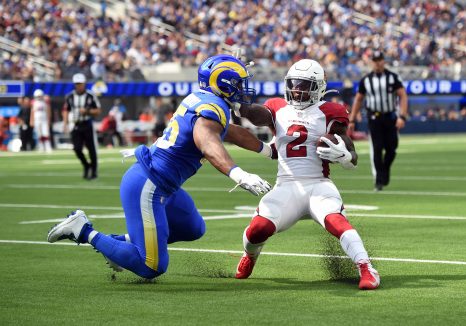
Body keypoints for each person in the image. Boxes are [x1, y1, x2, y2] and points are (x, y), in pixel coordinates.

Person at [47, 54, 274, 279]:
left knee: (192, 227)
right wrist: (238, 174)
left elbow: (230, 132)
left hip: (164, 184)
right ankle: (83, 230)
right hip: (149, 183)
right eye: (238, 83)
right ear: (223, 84)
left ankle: (118, 245)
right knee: (152, 266)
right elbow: (207, 141)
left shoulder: (207, 101)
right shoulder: (211, 109)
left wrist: (267, 150)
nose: (243, 88)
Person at [232, 59, 380, 290]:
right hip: (287, 186)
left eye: (304, 84)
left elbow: (351, 153)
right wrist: (238, 103)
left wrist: (345, 156)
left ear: (319, 86)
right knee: (258, 229)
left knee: (336, 221)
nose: (297, 89)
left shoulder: (331, 111)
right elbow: (254, 113)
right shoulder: (278, 107)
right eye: (294, 83)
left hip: (318, 184)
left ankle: (366, 267)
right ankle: (250, 255)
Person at [348, 51, 408, 191]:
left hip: (390, 117)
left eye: (379, 59)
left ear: (383, 61)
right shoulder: (366, 80)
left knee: (392, 149)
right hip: (374, 118)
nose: (377, 62)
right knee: (377, 148)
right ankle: (379, 181)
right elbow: (358, 99)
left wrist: (402, 116)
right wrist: (351, 119)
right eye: (375, 60)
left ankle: (384, 171)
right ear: (371, 62)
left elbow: (403, 96)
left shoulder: (393, 77)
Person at [63, 73, 101, 179]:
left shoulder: (90, 95)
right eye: (77, 84)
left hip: (87, 124)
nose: (79, 86)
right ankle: (86, 165)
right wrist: (65, 123)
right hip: (75, 125)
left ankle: (93, 171)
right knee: (77, 148)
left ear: (84, 84)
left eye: (80, 83)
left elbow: (98, 111)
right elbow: (66, 110)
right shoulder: (70, 96)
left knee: (91, 149)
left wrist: (87, 111)